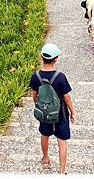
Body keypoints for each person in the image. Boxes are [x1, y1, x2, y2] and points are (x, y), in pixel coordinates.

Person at [30, 43, 76, 175]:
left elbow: (34, 94)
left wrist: (38, 106)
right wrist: (72, 112)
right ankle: (62, 172)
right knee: (62, 141)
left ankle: (46, 159)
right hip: (60, 113)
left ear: (41, 57)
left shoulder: (36, 76)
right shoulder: (60, 77)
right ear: (56, 59)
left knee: (45, 134)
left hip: (44, 112)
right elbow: (66, 97)